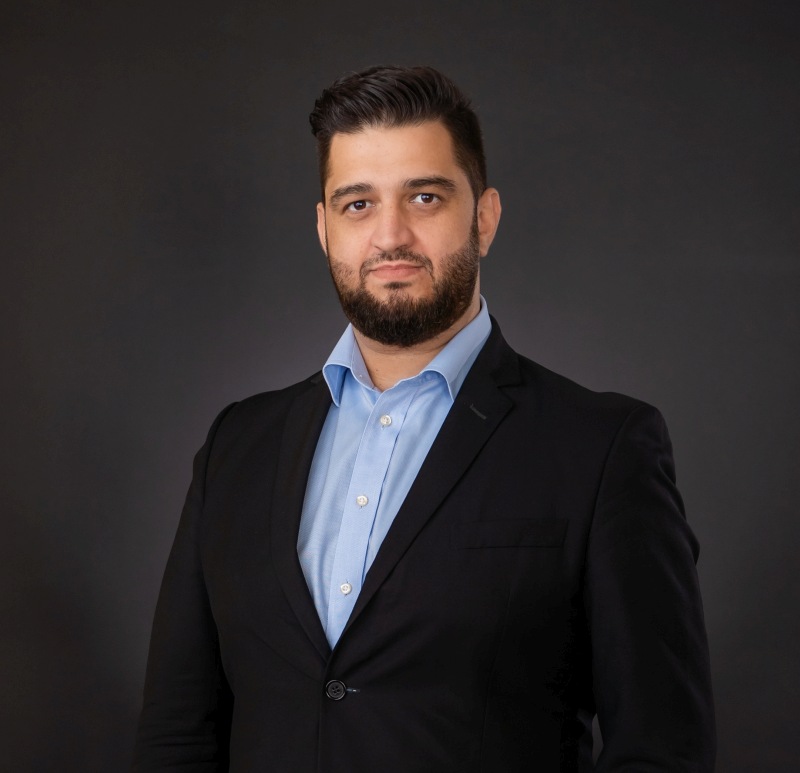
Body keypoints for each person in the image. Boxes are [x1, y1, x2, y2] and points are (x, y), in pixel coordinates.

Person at [132, 65, 715, 772]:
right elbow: (176, 736)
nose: (391, 235)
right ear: (323, 228)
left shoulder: (603, 448)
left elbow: (662, 749)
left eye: (425, 196)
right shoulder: (237, 445)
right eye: (357, 204)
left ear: (484, 218)